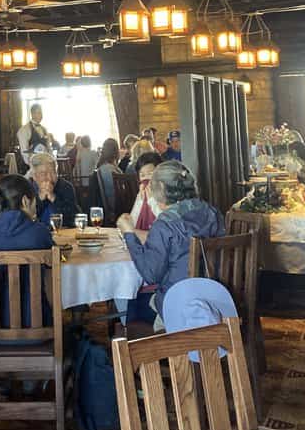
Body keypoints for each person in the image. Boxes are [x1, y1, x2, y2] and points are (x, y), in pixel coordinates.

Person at [116, 161, 225, 322]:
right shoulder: (212, 212)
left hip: (179, 304)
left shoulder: (165, 224)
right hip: (217, 298)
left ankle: (160, 343)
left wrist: (129, 234)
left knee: (132, 304)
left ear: (160, 187)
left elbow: (150, 274)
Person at [0, 174, 54, 328]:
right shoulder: (40, 233)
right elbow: (54, 262)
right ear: (25, 201)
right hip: (38, 328)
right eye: (34, 202)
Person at [28, 151, 80, 229]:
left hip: (63, 234)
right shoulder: (27, 189)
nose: (49, 178)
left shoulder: (66, 187)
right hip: (36, 236)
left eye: (53, 172)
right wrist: (39, 199)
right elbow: (25, 220)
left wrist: (53, 198)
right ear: (34, 176)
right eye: (43, 174)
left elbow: (73, 217)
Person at [89, 138, 122, 224]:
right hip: (116, 208)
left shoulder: (101, 168)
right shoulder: (112, 170)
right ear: (116, 152)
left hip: (105, 206)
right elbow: (120, 193)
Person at [129, 151, 163, 230]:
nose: (146, 179)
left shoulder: (165, 194)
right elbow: (133, 222)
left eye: (150, 174)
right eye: (142, 175)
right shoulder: (142, 193)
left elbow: (167, 222)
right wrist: (140, 200)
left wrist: (151, 200)